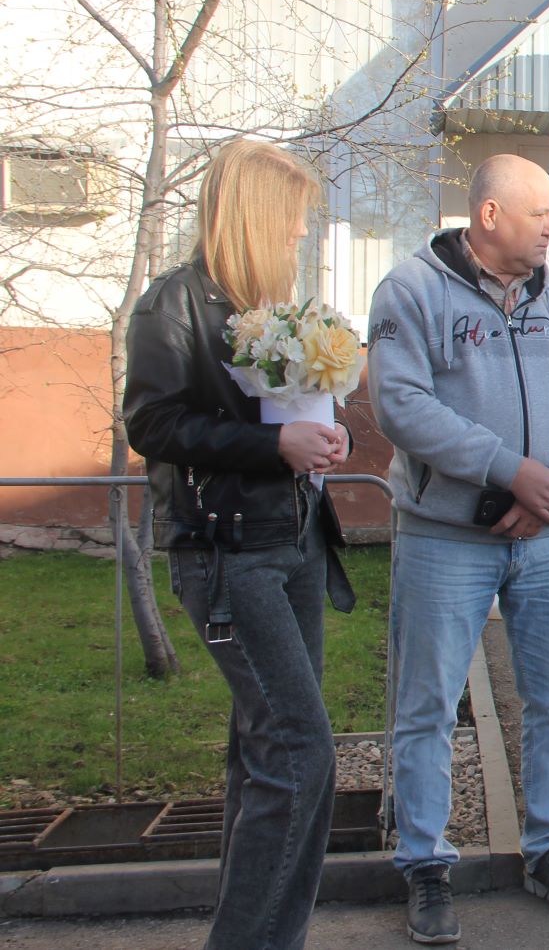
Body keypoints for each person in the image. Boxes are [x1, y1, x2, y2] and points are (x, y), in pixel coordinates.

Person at [367, 154, 549, 942]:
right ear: (489, 216)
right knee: (428, 707)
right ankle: (426, 866)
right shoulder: (411, 291)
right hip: (446, 539)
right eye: (539, 213)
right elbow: (399, 404)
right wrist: (512, 472)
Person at [124, 140, 354, 950]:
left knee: (269, 756)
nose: (301, 232)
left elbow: (277, 416)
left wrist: (321, 437)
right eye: (293, 216)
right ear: (256, 214)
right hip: (228, 555)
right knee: (299, 756)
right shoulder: (173, 304)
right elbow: (151, 423)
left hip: (294, 542)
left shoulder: (268, 307)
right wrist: (273, 446)